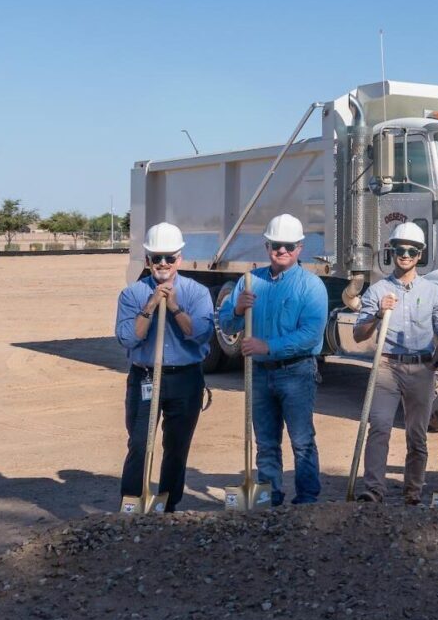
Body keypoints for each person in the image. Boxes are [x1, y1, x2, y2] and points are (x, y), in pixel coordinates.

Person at [218, 213, 329, 505]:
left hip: (297, 372)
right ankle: (270, 496)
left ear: (300, 248)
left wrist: (268, 346)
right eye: (276, 245)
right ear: (267, 246)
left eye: (288, 246)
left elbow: (310, 334)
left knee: (302, 441)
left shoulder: (311, 286)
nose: (282, 251)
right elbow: (227, 325)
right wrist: (238, 310)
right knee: (266, 443)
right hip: (259, 374)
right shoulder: (249, 282)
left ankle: (306, 500)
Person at [114, 222, 214, 512]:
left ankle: (168, 504)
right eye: (156, 258)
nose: (163, 264)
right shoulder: (132, 295)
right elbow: (128, 337)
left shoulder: (196, 293)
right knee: (139, 443)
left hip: (185, 379)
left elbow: (200, 334)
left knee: (177, 446)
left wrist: (173, 307)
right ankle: (131, 502)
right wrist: (151, 304)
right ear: (147, 260)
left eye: (169, 257)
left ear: (179, 259)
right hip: (145, 376)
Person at [350, 222, 438, 505]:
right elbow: (359, 335)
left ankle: (413, 492)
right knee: (380, 426)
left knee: (417, 435)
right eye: (399, 249)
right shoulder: (377, 291)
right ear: (391, 252)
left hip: (422, 368)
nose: (405, 255)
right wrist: (378, 314)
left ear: (420, 254)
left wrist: (434, 363)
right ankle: (373, 490)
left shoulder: (434, 292)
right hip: (386, 367)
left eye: (411, 250)